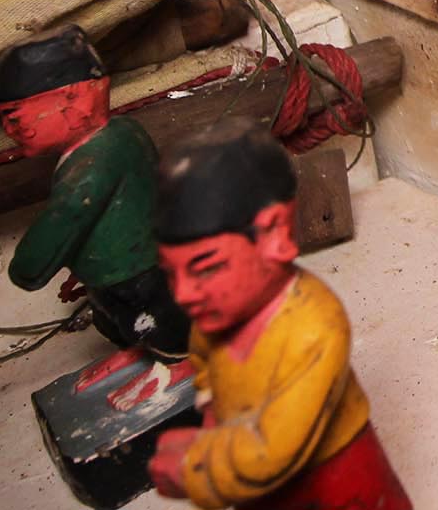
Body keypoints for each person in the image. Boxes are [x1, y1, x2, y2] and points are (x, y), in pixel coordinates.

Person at [149, 122, 411, 510]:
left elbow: (272, 452)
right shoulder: (215, 317)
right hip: (253, 477)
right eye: (171, 274)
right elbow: (205, 366)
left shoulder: (314, 327)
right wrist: (211, 416)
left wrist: (196, 464)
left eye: (207, 268)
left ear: (273, 233)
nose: (184, 294)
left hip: (334, 480)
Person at [0, 27, 192, 363]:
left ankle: (181, 360)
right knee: (114, 319)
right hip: (128, 264)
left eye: (15, 116)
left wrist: (26, 269)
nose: (9, 129)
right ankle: (138, 354)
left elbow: (63, 221)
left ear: (75, 100)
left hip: (134, 272)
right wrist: (83, 264)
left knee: (151, 319)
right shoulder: (125, 131)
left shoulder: (89, 168)